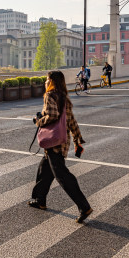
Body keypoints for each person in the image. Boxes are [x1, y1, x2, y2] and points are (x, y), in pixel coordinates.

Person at [29, 71, 92, 223]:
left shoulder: (50, 95)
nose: (45, 82)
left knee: (62, 175)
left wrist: (38, 121)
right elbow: (71, 121)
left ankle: (84, 206)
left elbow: (52, 116)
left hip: (54, 142)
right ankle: (39, 199)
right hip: (62, 141)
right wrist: (78, 139)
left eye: (46, 79)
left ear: (51, 81)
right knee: (44, 170)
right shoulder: (64, 97)